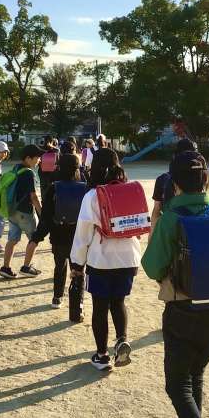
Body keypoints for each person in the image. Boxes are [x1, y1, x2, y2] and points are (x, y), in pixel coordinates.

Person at [142, 151, 209, 418]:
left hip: (182, 312)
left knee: (177, 384)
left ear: (174, 185)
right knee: (195, 377)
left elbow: (152, 267)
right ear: (206, 181)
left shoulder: (171, 219)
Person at [70, 148, 141, 371]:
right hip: (128, 257)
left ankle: (102, 356)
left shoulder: (92, 196)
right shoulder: (130, 190)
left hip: (101, 259)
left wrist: (76, 263)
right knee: (118, 302)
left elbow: (83, 234)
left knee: (100, 307)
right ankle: (121, 340)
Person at [23, 154, 86, 310]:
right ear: (77, 169)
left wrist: (37, 237)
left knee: (60, 266)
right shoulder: (85, 188)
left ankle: (57, 297)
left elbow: (46, 216)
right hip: (79, 236)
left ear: (59, 168)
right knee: (78, 270)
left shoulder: (54, 187)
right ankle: (78, 303)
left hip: (58, 235)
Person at [0, 144, 43, 280]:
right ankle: (26, 267)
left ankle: (5, 267)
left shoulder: (16, 168)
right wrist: (41, 213)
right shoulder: (29, 173)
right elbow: (33, 197)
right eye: (37, 158)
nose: (39, 160)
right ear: (28, 158)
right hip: (25, 213)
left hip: (12, 211)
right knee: (34, 239)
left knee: (12, 239)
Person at [150, 138, 198, 237]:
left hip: (169, 229)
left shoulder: (163, 179)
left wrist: (152, 235)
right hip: (195, 228)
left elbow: (157, 210)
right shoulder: (199, 178)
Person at [39, 135, 60, 201]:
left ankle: (43, 200)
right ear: (52, 141)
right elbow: (58, 162)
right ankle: (52, 201)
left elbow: (39, 161)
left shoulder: (40, 149)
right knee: (52, 187)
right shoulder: (56, 150)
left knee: (43, 187)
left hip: (42, 171)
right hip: (53, 172)